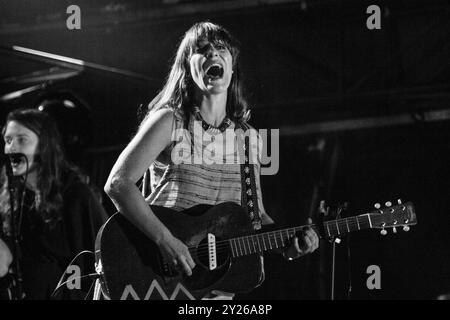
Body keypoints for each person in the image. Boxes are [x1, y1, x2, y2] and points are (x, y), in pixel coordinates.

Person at [104, 21, 319, 300]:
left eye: (221, 48)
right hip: (159, 275)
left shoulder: (248, 138)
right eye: (202, 50)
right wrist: (166, 241)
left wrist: (288, 245)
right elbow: (118, 184)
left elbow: (254, 218)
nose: (212, 54)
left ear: (232, 67)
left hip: (216, 288)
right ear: (187, 67)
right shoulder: (170, 121)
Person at [0, 108, 107, 300]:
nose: (11, 148)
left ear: (44, 145)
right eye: (8, 141)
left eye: (22, 140)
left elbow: (104, 254)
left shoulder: (76, 194)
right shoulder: (13, 198)